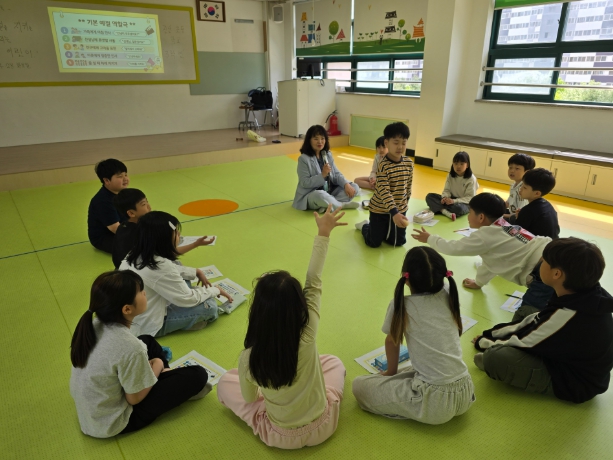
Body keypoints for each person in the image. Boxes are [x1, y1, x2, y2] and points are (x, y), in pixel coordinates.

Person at [217, 205, 347, 449]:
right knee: (334, 362)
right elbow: (314, 281)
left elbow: (249, 398)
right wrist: (323, 234)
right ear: (299, 306)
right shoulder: (308, 333)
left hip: (280, 437)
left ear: (258, 312)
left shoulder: (249, 358)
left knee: (225, 381)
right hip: (324, 426)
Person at [69, 270, 210, 438]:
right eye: (141, 291)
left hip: (94, 413)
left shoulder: (94, 324)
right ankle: (163, 374)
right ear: (127, 309)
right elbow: (133, 399)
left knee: (147, 340)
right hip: (115, 421)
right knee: (198, 375)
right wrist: (157, 366)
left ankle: (161, 374)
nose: (145, 293)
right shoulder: (131, 347)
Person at [472, 238, 613, 404]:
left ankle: (494, 363)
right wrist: (492, 333)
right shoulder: (585, 292)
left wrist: (486, 342)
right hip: (572, 356)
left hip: (575, 383)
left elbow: (524, 341)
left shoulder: (567, 315)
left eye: (543, 260)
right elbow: (536, 319)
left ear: (556, 274)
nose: (539, 262)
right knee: (527, 311)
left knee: (495, 357)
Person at [352, 247, 475, 424]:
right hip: (466, 390)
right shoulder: (449, 292)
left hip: (434, 403)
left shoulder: (402, 305)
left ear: (406, 278)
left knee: (358, 385)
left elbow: (392, 341)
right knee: (414, 370)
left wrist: (390, 372)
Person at [412, 193, 553, 312]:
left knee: (528, 316)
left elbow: (453, 248)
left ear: (481, 217)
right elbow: (492, 261)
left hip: (544, 273)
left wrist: (430, 238)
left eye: (470, 212)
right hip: (552, 251)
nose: (468, 216)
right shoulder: (504, 225)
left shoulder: (484, 236)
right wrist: (479, 283)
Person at [119, 211, 233, 337]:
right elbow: (188, 299)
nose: (179, 234)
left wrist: (195, 272)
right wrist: (215, 290)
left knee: (179, 269)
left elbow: (170, 270)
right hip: (148, 324)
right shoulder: (160, 267)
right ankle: (186, 322)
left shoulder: (136, 252)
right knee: (210, 307)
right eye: (175, 233)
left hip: (140, 312)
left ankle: (189, 304)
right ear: (163, 239)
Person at [112, 188, 215, 269]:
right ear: (131, 213)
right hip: (134, 276)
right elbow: (170, 253)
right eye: (143, 204)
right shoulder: (143, 233)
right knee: (178, 268)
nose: (149, 207)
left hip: (124, 270)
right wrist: (195, 244)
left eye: (147, 202)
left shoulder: (124, 226)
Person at [355, 122, 412, 248]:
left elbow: (408, 187)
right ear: (387, 143)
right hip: (380, 210)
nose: (400, 147)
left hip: (398, 210)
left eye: (404, 143)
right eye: (396, 142)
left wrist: (404, 206)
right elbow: (384, 191)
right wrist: (394, 212)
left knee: (398, 242)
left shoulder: (409, 163)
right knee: (374, 242)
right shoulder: (383, 165)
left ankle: (384, 230)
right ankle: (365, 225)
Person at [292, 125, 360, 212]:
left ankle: (327, 205)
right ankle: (340, 205)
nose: (320, 142)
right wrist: (322, 175)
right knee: (320, 195)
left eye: (322, 138)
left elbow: (336, 174)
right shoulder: (303, 159)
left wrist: (346, 184)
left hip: (330, 191)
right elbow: (304, 182)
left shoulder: (327, 154)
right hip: (312, 194)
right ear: (309, 141)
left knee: (354, 187)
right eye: (316, 139)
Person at [87, 159, 129, 254]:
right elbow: (114, 228)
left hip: (122, 228)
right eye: (120, 176)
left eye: (126, 175)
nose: (125, 179)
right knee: (137, 245)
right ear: (106, 180)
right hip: (105, 237)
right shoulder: (102, 201)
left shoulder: (123, 193)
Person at [425, 151, 479, 221]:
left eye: (461, 164)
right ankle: (445, 212)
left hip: (464, 203)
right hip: (451, 200)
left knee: (459, 209)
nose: (458, 166)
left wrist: (454, 201)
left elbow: (470, 198)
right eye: (456, 163)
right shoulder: (450, 175)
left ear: (467, 165)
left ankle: (440, 209)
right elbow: (447, 190)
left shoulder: (471, 179)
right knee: (429, 197)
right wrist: (445, 197)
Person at [515, 168, 559, 239]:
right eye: (522, 185)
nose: (520, 188)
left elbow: (515, 232)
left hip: (539, 245)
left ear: (537, 193)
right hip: (553, 242)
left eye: (525, 187)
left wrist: (520, 218)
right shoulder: (548, 205)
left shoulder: (528, 210)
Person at [504, 153, 535, 223]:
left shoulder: (523, 190)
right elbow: (508, 203)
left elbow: (519, 215)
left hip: (518, 219)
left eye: (517, 168)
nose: (512, 171)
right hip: (512, 213)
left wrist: (502, 215)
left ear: (527, 172)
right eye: (510, 167)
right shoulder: (514, 185)